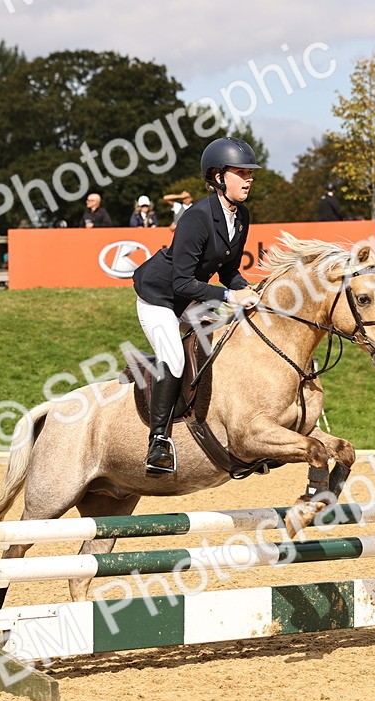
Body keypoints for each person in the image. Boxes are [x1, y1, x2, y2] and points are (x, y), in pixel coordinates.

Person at [131, 137, 261, 474]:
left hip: (190, 296)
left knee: (221, 345)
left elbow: (228, 270)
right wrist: (231, 297)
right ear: (218, 177)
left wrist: (250, 290)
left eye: (250, 173)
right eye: (240, 172)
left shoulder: (241, 215)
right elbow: (181, 282)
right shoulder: (196, 217)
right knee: (173, 356)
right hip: (160, 296)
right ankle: (158, 441)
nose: (248, 178)